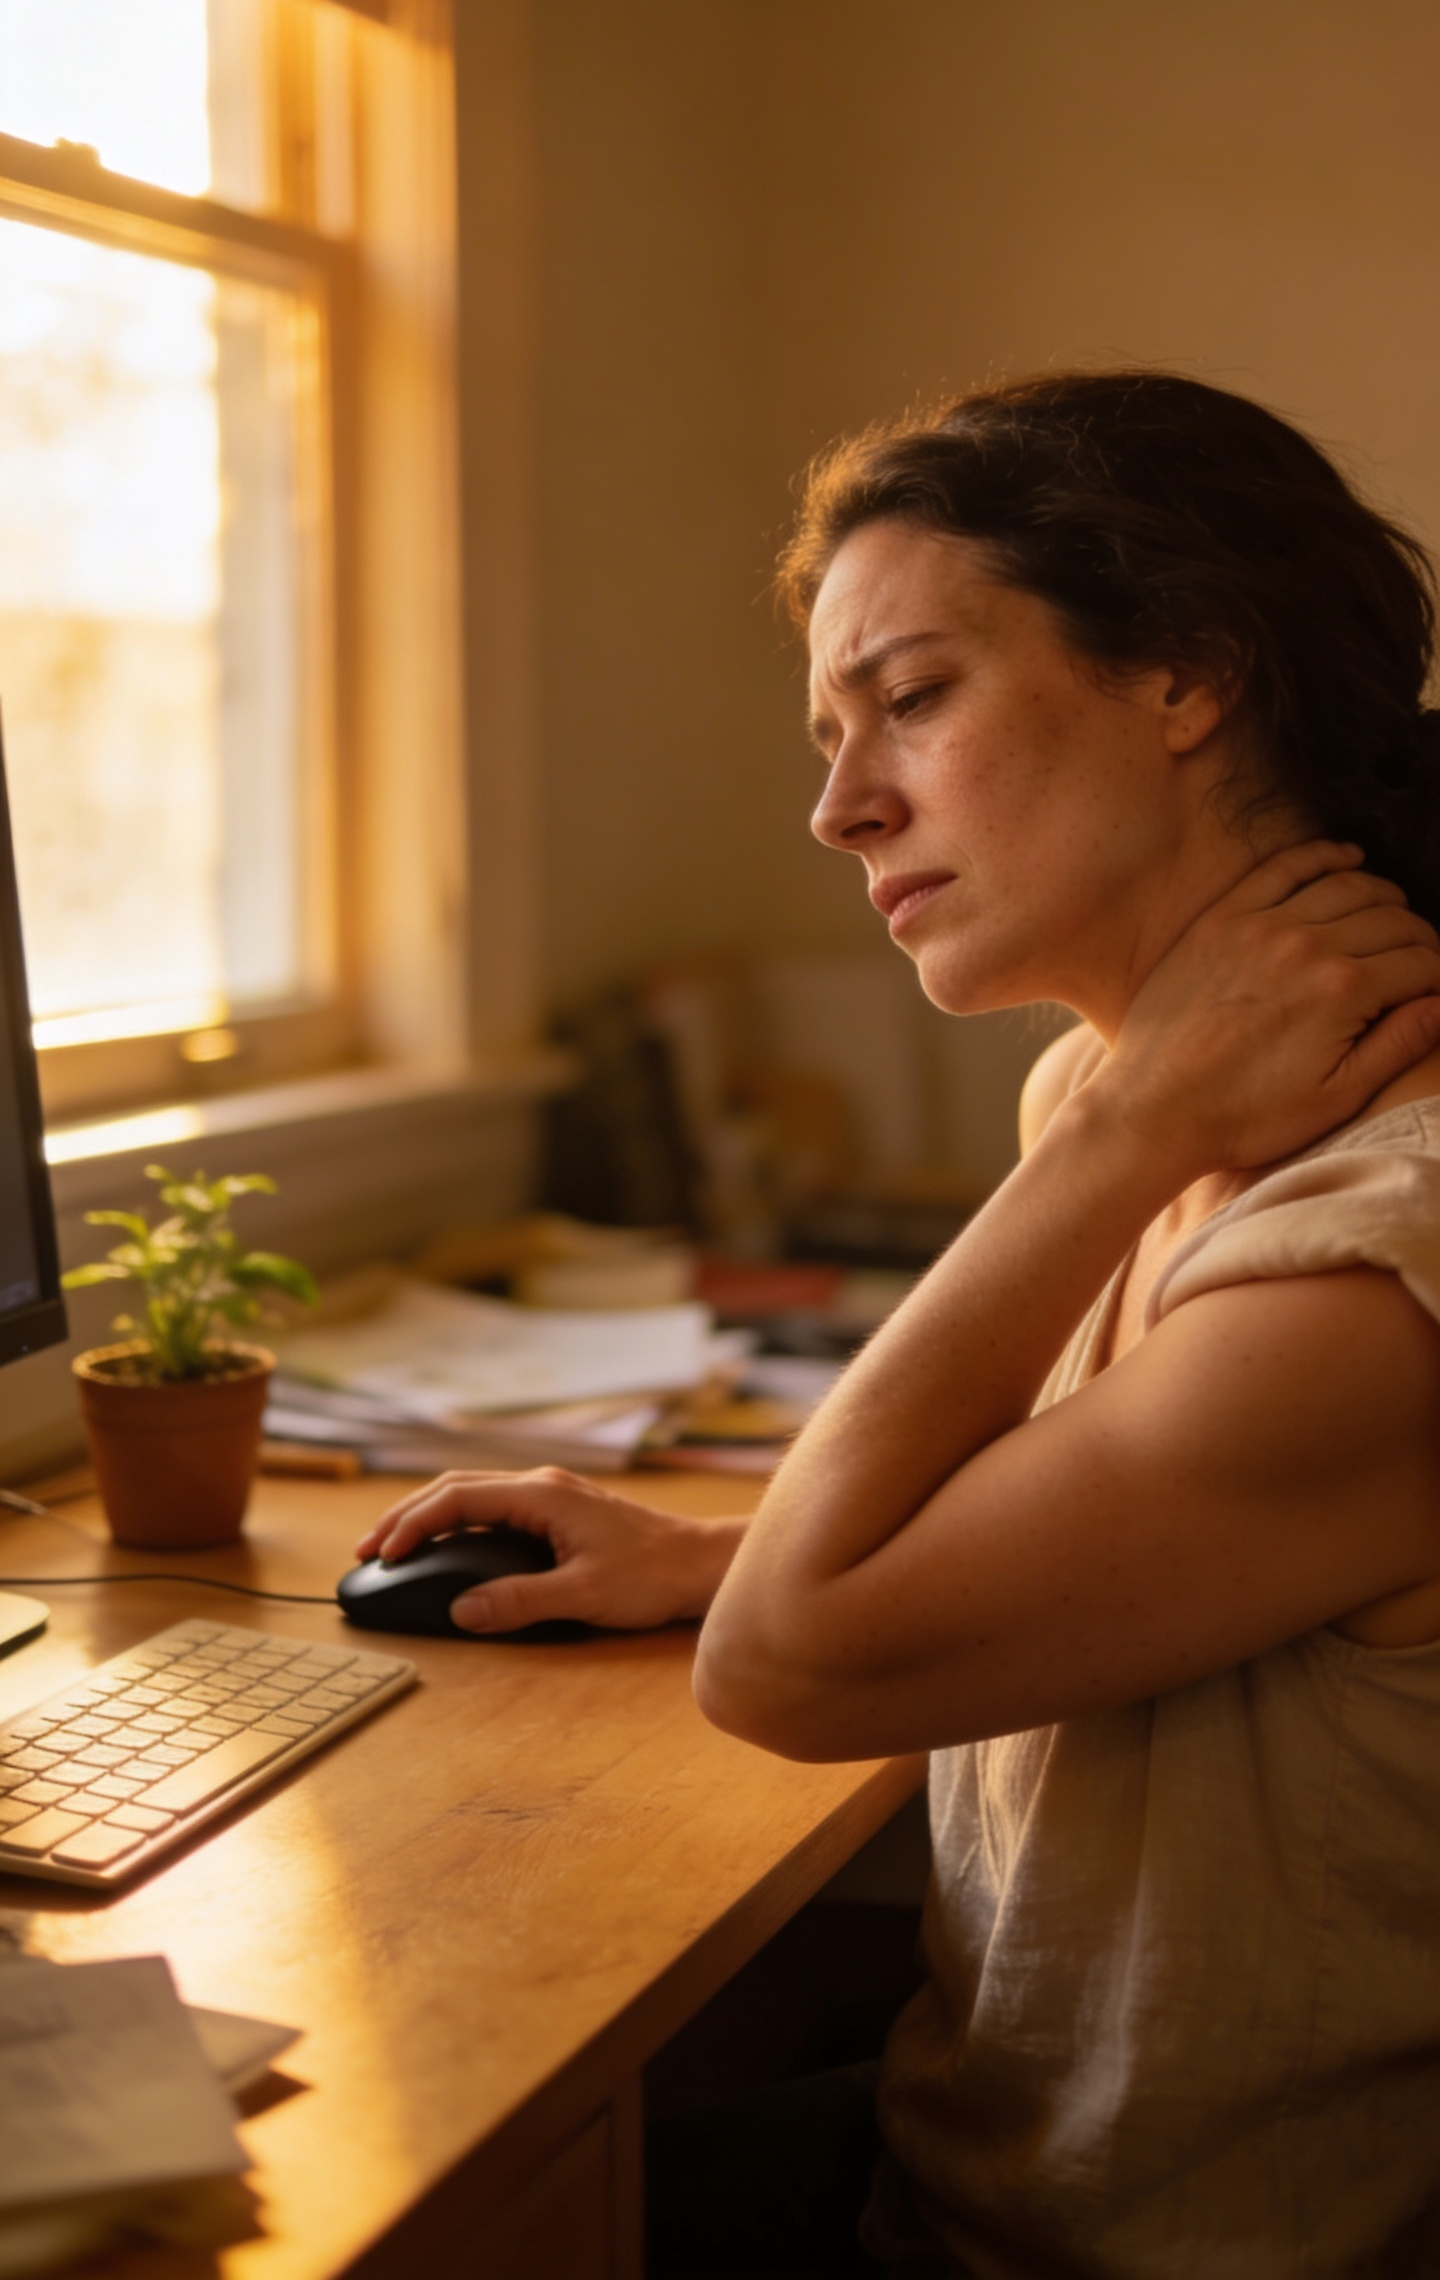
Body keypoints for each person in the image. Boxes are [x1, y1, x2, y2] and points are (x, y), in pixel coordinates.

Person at [357, 373, 1440, 2276]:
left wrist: (1116, 1134)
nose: (841, 806)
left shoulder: (1367, 1256)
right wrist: (716, 1546)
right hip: (958, 2164)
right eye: (833, 731)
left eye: (914, 698)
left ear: (1187, 675)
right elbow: (1116, 1547)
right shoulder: (1113, 1105)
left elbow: (792, 1670)